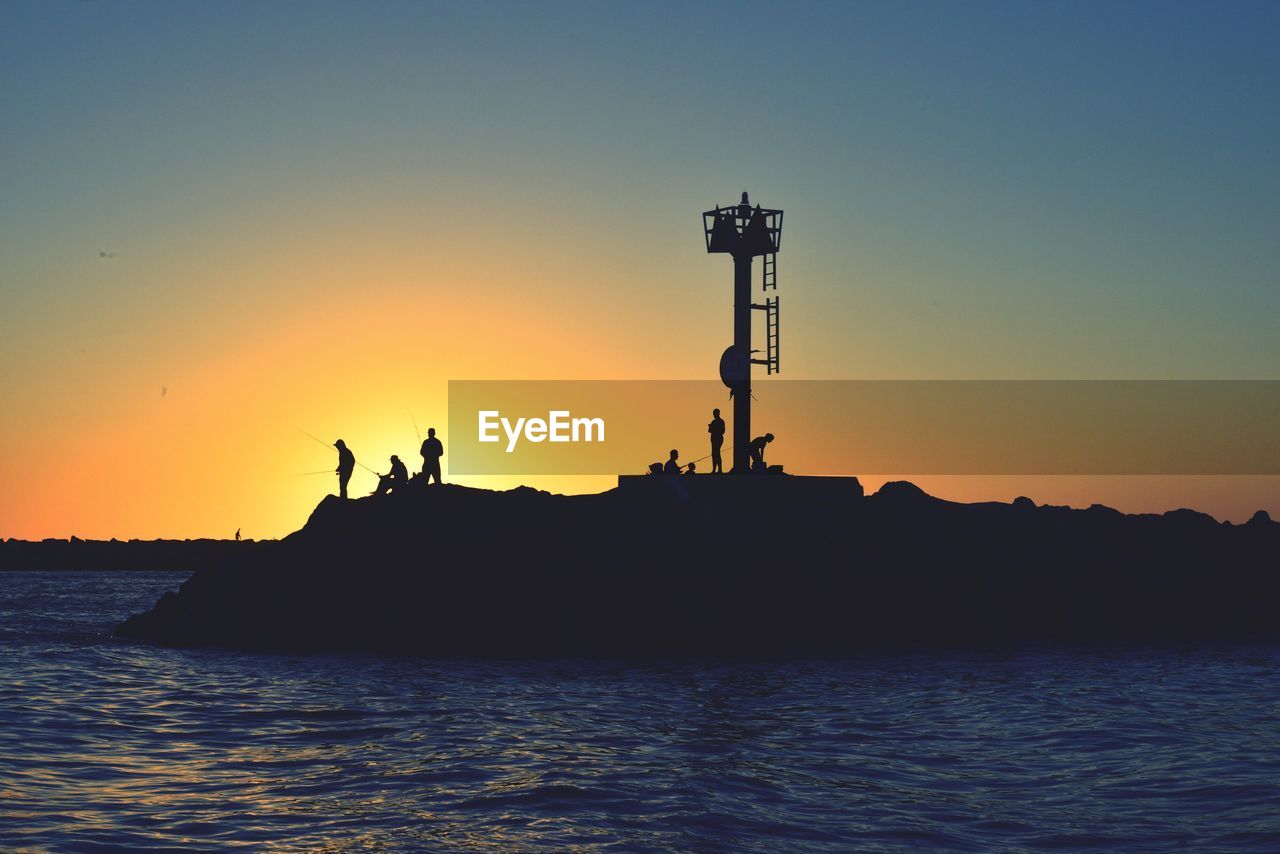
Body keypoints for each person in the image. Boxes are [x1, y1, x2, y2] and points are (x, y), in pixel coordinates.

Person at [708, 408, 725, 474]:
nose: (714, 415)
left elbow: (723, 431)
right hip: (713, 439)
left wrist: (714, 428)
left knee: (717, 453)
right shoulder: (713, 421)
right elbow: (709, 431)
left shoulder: (721, 421)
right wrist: (711, 427)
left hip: (718, 439)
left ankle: (720, 469)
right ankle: (714, 469)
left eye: (715, 413)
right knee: (713, 454)